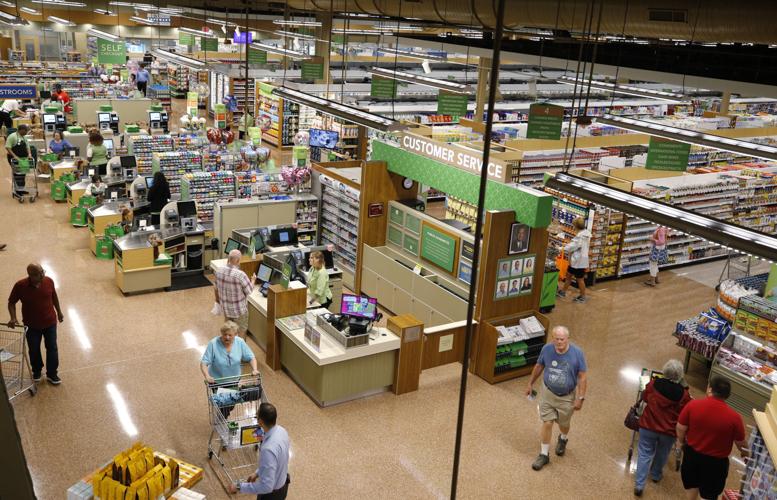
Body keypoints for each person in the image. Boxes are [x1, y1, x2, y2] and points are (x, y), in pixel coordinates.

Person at [526, 325, 587, 471]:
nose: (559, 342)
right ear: (553, 338)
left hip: (567, 397)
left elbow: (582, 377)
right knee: (547, 422)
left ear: (567, 339)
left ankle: (563, 438)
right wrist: (530, 383)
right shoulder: (547, 349)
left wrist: (580, 398)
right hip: (548, 392)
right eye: (556, 339)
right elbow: (539, 366)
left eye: (562, 339)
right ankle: (544, 454)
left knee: (563, 424)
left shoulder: (577, 353)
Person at [676, 376, 747, 500]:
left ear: (710, 389)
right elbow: (741, 443)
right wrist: (746, 454)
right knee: (709, 495)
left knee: (691, 487)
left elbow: (681, 427)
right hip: (716, 464)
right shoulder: (735, 417)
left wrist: (681, 442)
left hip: (693, 456)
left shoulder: (693, 405)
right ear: (727, 395)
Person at [633, 359, 691, 497]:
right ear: (680, 375)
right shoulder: (684, 394)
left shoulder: (653, 384)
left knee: (644, 453)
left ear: (665, 371)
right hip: (669, 431)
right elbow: (685, 413)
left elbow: (645, 398)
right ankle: (656, 474)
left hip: (648, 425)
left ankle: (639, 484)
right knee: (662, 453)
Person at [8, 263, 65, 385]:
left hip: (50, 322)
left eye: (42, 271)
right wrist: (13, 317)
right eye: (39, 273)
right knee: (34, 349)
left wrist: (59, 312)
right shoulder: (20, 286)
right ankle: (37, 371)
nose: (43, 274)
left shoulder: (48, 281)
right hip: (31, 325)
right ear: (31, 275)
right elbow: (11, 302)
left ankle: (52, 373)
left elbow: (54, 297)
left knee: (52, 348)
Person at [228, 402, 291, 499]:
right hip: (283, 486)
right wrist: (258, 473)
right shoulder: (282, 431)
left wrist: (239, 487)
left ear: (260, 422)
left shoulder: (268, 450)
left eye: (256, 416)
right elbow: (277, 462)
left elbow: (266, 487)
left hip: (271, 496)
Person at [214, 249, 255, 337]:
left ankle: (229, 349)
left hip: (226, 309)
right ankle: (240, 350)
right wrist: (253, 280)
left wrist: (217, 301)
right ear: (238, 261)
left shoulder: (219, 271)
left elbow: (216, 288)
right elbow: (249, 290)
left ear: (228, 259)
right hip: (239, 311)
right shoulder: (240, 275)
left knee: (229, 333)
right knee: (240, 335)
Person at [558, 217, 591, 303]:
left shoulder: (580, 236)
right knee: (568, 275)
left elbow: (572, 246)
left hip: (578, 261)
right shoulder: (585, 233)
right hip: (577, 260)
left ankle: (583, 296)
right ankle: (563, 291)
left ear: (576, 226)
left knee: (580, 279)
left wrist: (561, 248)